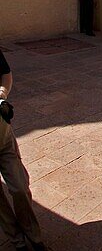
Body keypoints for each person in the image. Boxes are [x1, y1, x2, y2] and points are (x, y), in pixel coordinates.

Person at [0, 47, 47, 250]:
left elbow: (5, 73)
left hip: (2, 135)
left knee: (19, 187)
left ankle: (34, 237)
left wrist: (2, 92)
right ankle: (17, 239)